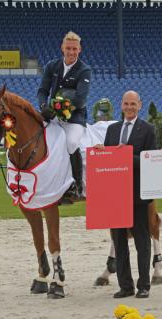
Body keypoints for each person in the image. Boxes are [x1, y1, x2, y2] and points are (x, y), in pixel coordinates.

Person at [95, 90, 156, 299]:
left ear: (139, 105)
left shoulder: (148, 129)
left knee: (142, 242)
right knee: (119, 242)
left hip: (138, 194)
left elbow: (150, 160)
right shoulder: (112, 129)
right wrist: (101, 152)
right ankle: (125, 285)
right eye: (126, 103)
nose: (129, 107)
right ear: (121, 105)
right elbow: (109, 160)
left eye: (133, 104)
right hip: (115, 195)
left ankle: (144, 285)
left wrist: (127, 154)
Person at [37, 31, 91, 200]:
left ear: (79, 49)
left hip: (75, 117)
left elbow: (80, 99)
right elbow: (43, 91)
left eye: (74, 48)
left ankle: (77, 186)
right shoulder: (52, 66)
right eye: (68, 48)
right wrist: (43, 106)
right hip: (52, 114)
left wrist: (63, 111)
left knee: (71, 142)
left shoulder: (84, 70)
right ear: (62, 48)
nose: (71, 52)